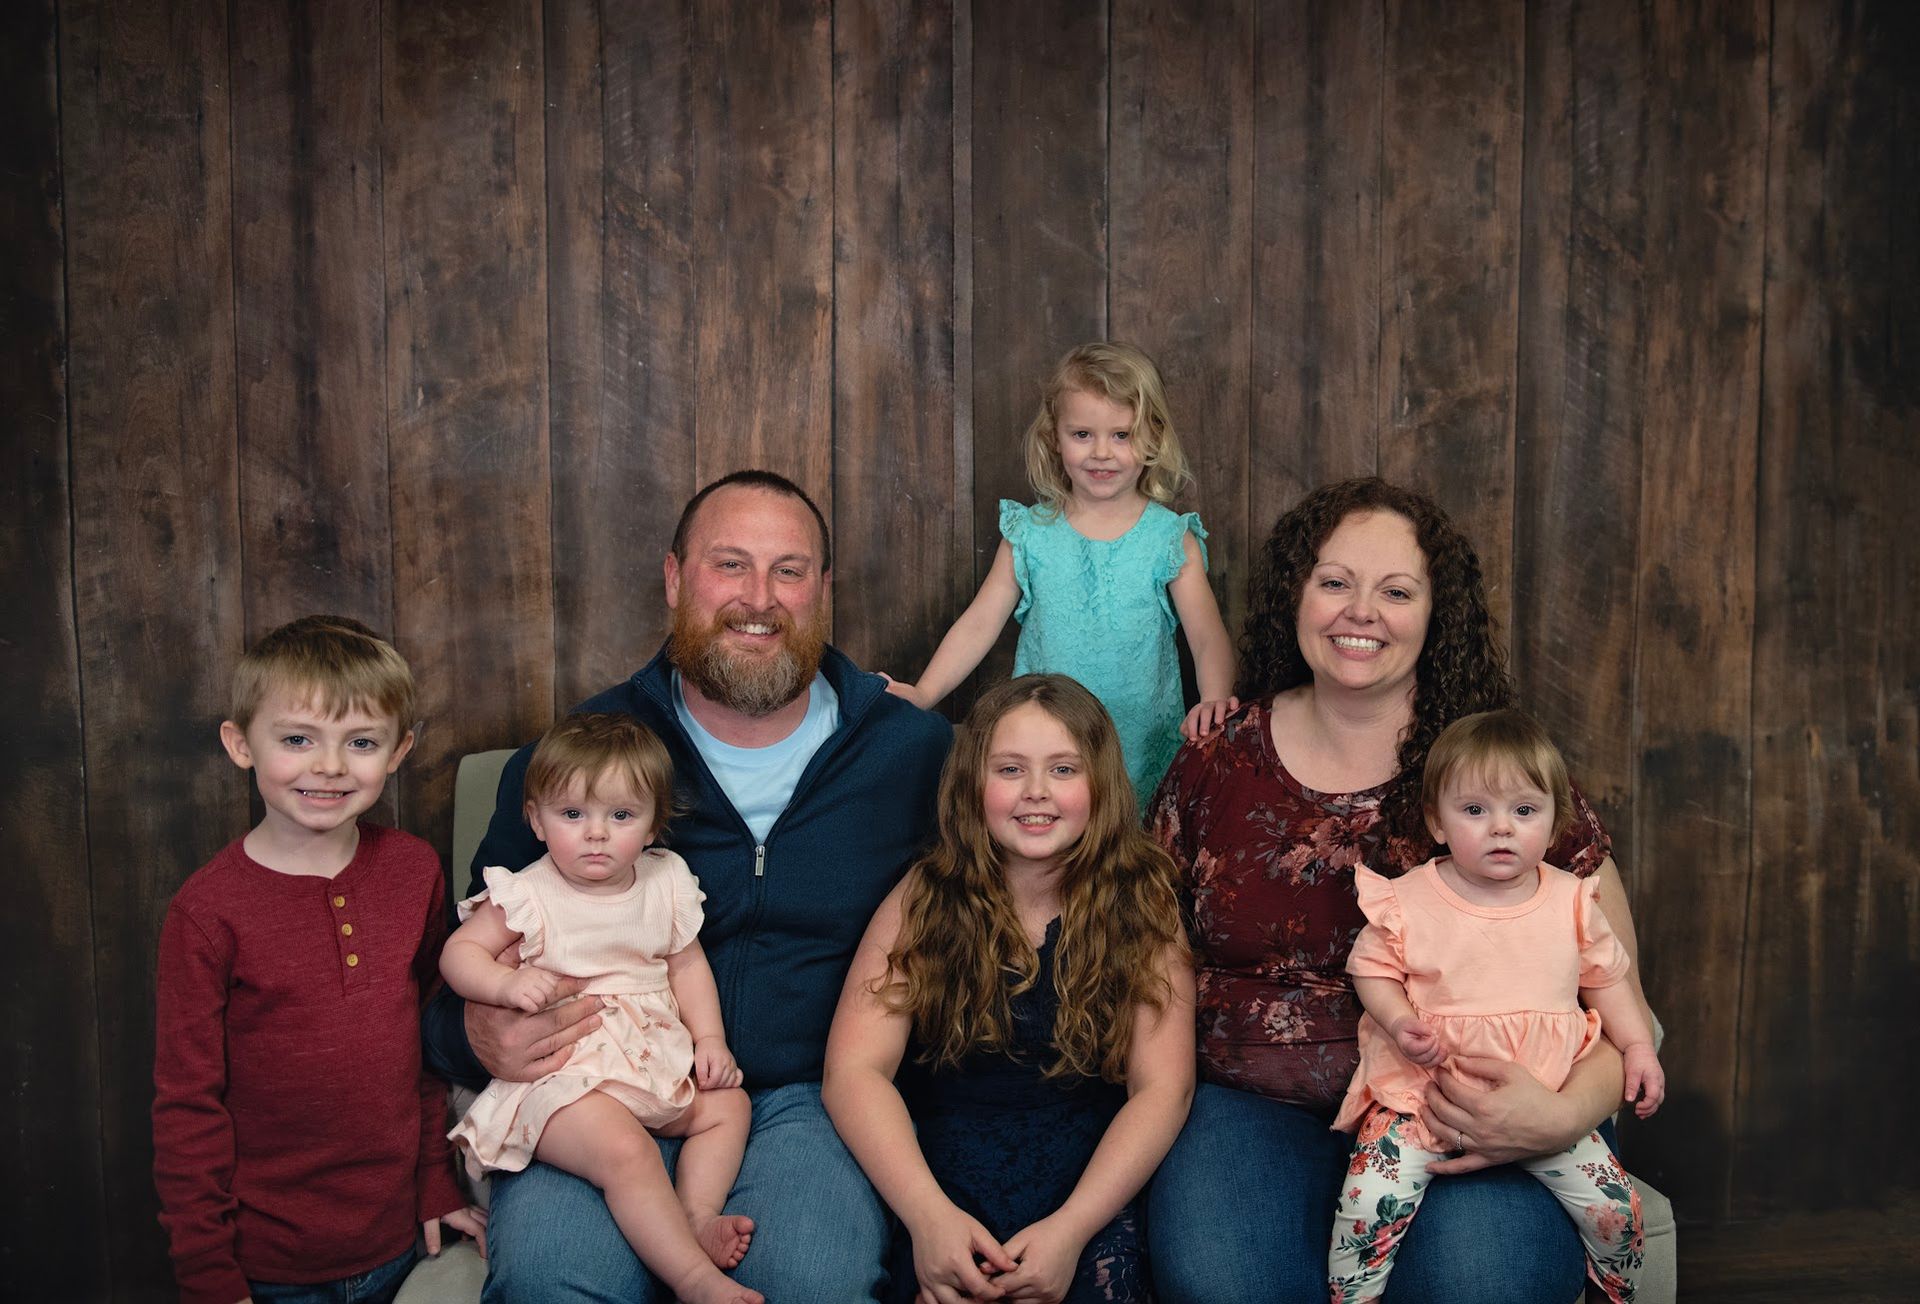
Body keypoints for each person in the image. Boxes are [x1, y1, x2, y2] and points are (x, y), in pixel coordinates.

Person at [422, 470, 953, 1302]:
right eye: (729, 565)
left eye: (789, 570)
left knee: (809, 1281)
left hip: (805, 1100)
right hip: (588, 1093)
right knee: (552, 1282)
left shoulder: (911, 756)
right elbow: (443, 986)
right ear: (674, 580)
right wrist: (475, 1035)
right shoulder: (575, 767)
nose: (759, 598)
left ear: (823, 591)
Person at [1144, 477, 1654, 1304]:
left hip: (1463, 1108)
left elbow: (1612, 980)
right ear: (1296, 596)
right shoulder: (1217, 758)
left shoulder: (1500, 774)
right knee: (1227, 1283)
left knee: (1487, 1286)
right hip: (1251, 1110)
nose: (1360, 613)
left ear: (1434, 614)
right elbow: (1148, 957)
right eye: (1335, 582)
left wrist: (1565, 1115)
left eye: (1396, 591)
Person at [824, 674, 1195, 1304]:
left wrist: (1072, 1230)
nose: (1036, 793)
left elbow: (1163, 1088)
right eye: (1011, 769)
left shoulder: (1142, 901)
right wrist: (927, 1217)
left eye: (1063, 769)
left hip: (1088, 1188)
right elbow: (855, 1070)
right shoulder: (927, 897)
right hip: (941, 1183)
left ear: (1100, 784)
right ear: (975, 782)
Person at [153, 616, 485, 1304]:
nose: (330, 766)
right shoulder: (208, 911)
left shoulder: (412, 869)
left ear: (398, 752)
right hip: (270, 1265)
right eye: (298, 739)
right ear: (240, 745)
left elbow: (429, 1044)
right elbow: (188, 1107)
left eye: (361, 742)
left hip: (399, 1242)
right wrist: (209, 1272)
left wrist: (433, 1180)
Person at [1327, 709, 1664, 1303]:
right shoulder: (1409, 898)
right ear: (1437, 821)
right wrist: (1402, 1023)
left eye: (1524, 811)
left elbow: (1608, 980)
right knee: (1367, 1203)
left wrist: (1637, 1046)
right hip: (1424, 1095)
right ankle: (1355, 1294)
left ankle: (1616, 1288)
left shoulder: (1572, 901)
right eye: (1475, 810)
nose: (1501, 829)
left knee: (1616, 1212)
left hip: (1545, 1099)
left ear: (1555, 821)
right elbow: (1371, 970)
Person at [441, 714, 759, 1304]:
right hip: (566, 1078)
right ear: (536, 819)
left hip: (650, 1063)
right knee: (625, 1149)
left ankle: (693, 1213)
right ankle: (693, 1278)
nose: (595, 834)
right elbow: (458, 954)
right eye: (572, 815)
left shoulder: (665, 882)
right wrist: (503, 987)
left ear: (653, 826)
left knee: (728, 1105)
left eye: (619, 816)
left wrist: (710, 1041)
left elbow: (686, 965)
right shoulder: (528, 893)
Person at [887, 342, 1235, 814]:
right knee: (1046, 845)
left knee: (1124, 853)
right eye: (1082, 434)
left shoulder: (1169, 540)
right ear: (1054, 436)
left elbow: (1208, 637)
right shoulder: (1030, 534)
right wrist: (925, 692)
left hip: (1138, 737)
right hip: (1042, 741)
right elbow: (980, 622)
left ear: (1152, 437)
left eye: (1121, 435)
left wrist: (1214, 700)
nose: (1101, 453)